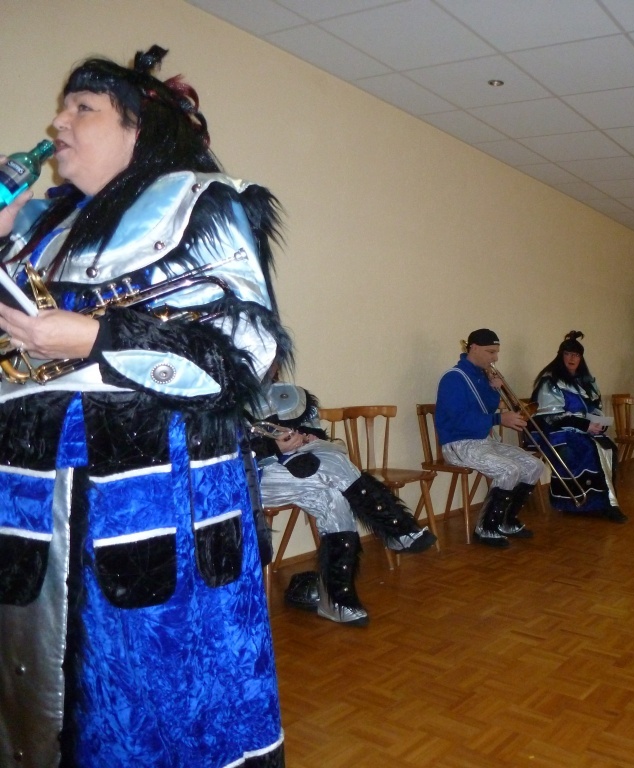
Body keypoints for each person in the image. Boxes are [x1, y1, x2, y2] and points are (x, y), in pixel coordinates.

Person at [0, 47, 288, 766]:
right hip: (32, 497)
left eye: (83, 108)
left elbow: (245, 354)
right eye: (62, 107)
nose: (58, 123)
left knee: (154, 693)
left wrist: (97, 337)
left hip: (152, 500)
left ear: (140, 129)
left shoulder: (203, 205)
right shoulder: (38, 228)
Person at [250, 383, 436, 627]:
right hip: (252, 480)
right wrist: (274, 447)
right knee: (335, 465)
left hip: (295, 470)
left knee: (334, 498)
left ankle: (336, 600)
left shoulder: (283, 391)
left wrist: (307, 438)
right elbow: (225, 449)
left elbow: (312, 427)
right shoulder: (225, 393)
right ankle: (396, 527)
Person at [435, 328, 544, 547]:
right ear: (474, 348)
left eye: (496, 352)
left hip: (483, 441)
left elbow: (486, 407)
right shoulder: (453, 379)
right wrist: (498, 419)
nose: (495, 358)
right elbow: (458, 420)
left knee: (534, 466)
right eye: (491, 352)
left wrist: (495, 389)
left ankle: (507, 521)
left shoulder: (481, 375)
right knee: (509, 470)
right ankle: (487, 528)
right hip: (458, 444)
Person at [529, 331, 625, 522]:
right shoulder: (551, 382)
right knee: (587, 449)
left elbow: (595, 407)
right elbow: (550, 417)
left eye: (576, 355)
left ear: (581, 358)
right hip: (556, 432)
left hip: (582, 429)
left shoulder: (586, 382)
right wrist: (584, 424)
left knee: (609, 448)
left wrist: (598, 423)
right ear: (561, 356)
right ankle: (584, 502)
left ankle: (602, 502)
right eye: (568, 354)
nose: (572, 358)